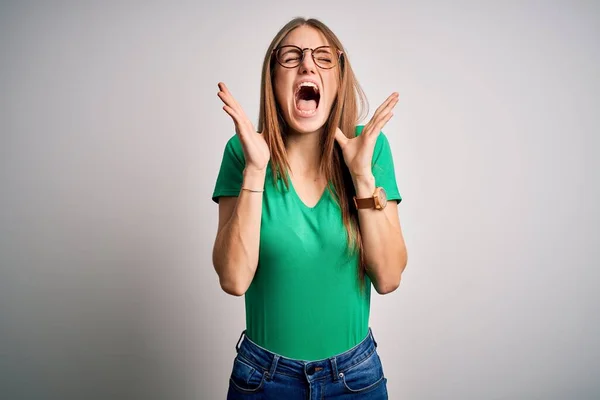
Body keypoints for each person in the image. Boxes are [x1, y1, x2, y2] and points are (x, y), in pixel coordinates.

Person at [212, 16, 407, 399]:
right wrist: (255, 170)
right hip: (264, 380)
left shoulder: (369, 148)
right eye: (291, 57)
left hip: (355, 379)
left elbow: (388, 278)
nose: (307, 64)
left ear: (338, 80)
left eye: (322, 57)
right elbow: (233, 280)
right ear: (273, 78)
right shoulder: (243, 152)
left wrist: (363, 177)